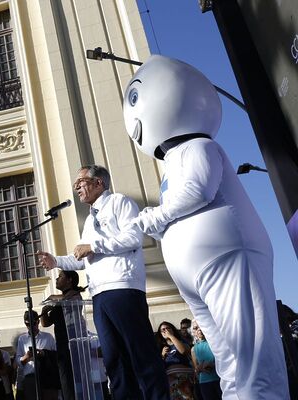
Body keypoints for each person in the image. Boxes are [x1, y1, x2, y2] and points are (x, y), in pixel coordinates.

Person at [122, 54, 288, 398]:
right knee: (227, 358)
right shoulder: (172, 164)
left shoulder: (199, 145)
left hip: (227, 258)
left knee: (251, 355)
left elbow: (198, 190)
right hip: (197, 274)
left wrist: (151, 218)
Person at [37, 164, 169, 399]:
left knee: (140, 354)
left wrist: (94, 246)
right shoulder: (89, 221)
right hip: (98, 295)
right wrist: (55, 260)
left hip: (123, 287)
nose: (77, 188)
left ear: (99, 182)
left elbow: (132, 238)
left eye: (81, 182)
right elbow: (82, 257)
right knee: (114, 358)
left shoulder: (120, 202)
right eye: (76, 184)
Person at [40, 270, 85, 400]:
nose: (57, 279)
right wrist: (44, 310)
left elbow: (68, 300)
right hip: (61, 344)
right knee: (65, 379)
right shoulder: (59, 301)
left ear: (70, 280)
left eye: (60, 277)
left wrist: (52, 298)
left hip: (73, 343)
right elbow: (46, 323)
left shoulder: (74, 296)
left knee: (74, 378)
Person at [14, 311, 57, 400]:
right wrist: (25, 357)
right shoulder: (22, 339)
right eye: (28, 324)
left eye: (33, 323)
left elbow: (56, 356)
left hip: (47, 377)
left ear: (38, 322)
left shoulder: (48, 337)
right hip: (30, 377)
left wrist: (43, 353)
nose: (31, 327)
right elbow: (18, 360)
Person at [156, 321, 195, 400]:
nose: (165, 331)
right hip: (171, 381)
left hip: (185, 378)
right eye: (163, 330)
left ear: (173, 330)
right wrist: (162, 355)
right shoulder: (160, 347)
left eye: (168, 328)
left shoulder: (181, 341)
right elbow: (158, 366)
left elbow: (183, 351)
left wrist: (171, 336)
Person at [191, 320, 221, 400]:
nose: (199, 329)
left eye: (201, 326)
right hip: (204, 382)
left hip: (219, 379)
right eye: (196, 328)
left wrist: (213, 365)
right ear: (193, 332)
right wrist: (199, 368)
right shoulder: (194, 349)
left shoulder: (215, 343)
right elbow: (196, 369)